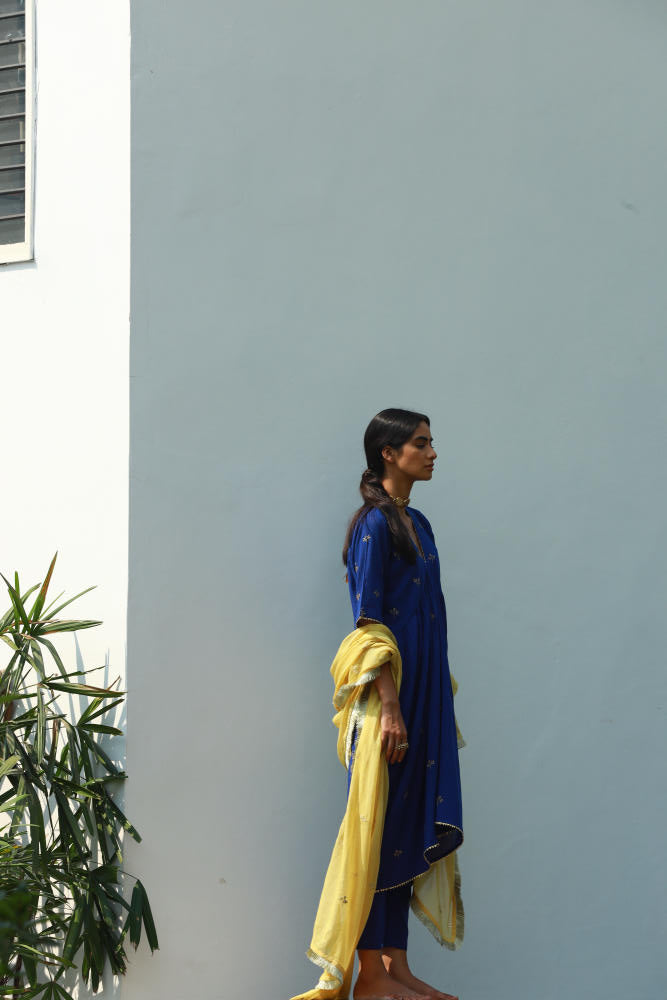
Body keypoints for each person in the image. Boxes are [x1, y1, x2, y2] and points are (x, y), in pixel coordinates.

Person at [293, 409, 464, 1000]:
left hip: (422, 692)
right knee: (378, 824)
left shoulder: (419, 523)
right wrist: (389, 706)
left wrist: (427, 700)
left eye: (431, 442)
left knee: (408, 823)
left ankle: (395, 966)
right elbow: (367, 623)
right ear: (388, 453)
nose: (432, 452)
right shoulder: (373, 525)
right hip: (387, 697)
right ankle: (368, 973)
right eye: (421, 443)